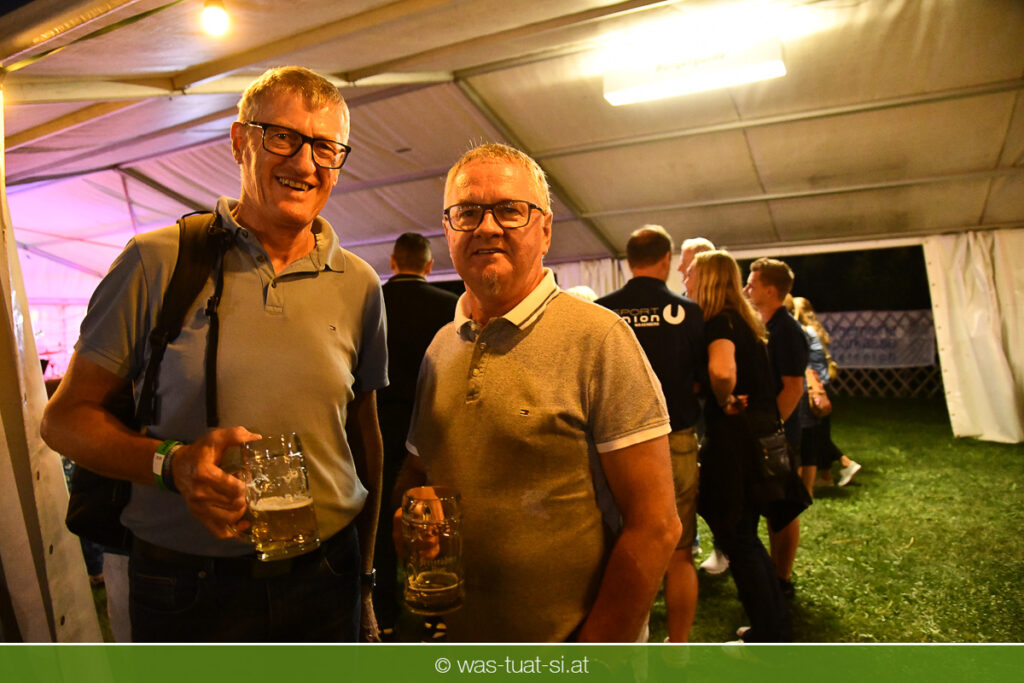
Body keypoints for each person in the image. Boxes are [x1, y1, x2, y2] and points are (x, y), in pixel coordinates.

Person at [41, 66, 387, 643]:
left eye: (326, 148)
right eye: (283, 137)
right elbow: (64, 420)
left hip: (324, 575)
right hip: (186, 586)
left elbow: (364, 437)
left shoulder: (360, 283)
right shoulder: (157, 261)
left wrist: (368, 575)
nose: (305, 163)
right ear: (239, 140)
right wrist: (173, 464)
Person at [396, 143, 681, 642]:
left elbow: (656, 525)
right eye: (467, 212)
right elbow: (420, 471)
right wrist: (410, 512)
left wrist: (593, 659)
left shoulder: (600, 338)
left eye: (509, 210)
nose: (487, 227)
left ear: (545, 229)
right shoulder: (441, 345)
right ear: (447, 230)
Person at [596, 225, 705, 643]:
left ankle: (625, 642)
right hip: (675, 439)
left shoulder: (604, 312)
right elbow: (702, 377)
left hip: (612, 444)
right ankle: (677, 651)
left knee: (620, 546)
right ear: (666, 260)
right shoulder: (687, 312)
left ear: (628, 261)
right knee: (679, 550)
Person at [685, 250, 791, 642]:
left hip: (735, 445)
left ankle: (769, 634)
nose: (685, 283)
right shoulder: (743, 320)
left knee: (737, 537)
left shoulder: (720, 322)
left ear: (707, 281)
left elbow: (721, 370)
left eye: (691, 275)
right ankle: (773, 626)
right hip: (756, 440)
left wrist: (723, 396)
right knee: (744, 535)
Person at [374, 232, 458, 639]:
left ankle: (382, 612)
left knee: (378, 519)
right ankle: (436, 608)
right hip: (432, 428)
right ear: (429, 265)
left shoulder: (372, 302)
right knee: (433, 519)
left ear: (393, 262)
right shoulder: (449, 305)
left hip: (377, 426)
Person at [745, 257, 810, 598]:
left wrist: (772, 430)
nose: (746, 289)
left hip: (779, 436)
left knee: (782, 509)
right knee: (769, 504)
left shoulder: (788, 331)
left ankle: (782, 578)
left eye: (752, 284)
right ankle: (772, 573)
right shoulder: (763, 326)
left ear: (770, 291)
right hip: (765, 433)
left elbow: (794, 388)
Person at [790, 296, 861, 488]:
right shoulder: (815, 330)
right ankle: (828, 475)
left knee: (812, 434)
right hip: (822, 385)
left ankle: (845, 463)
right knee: (819, 433)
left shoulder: (803, 332)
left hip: (811, 386)